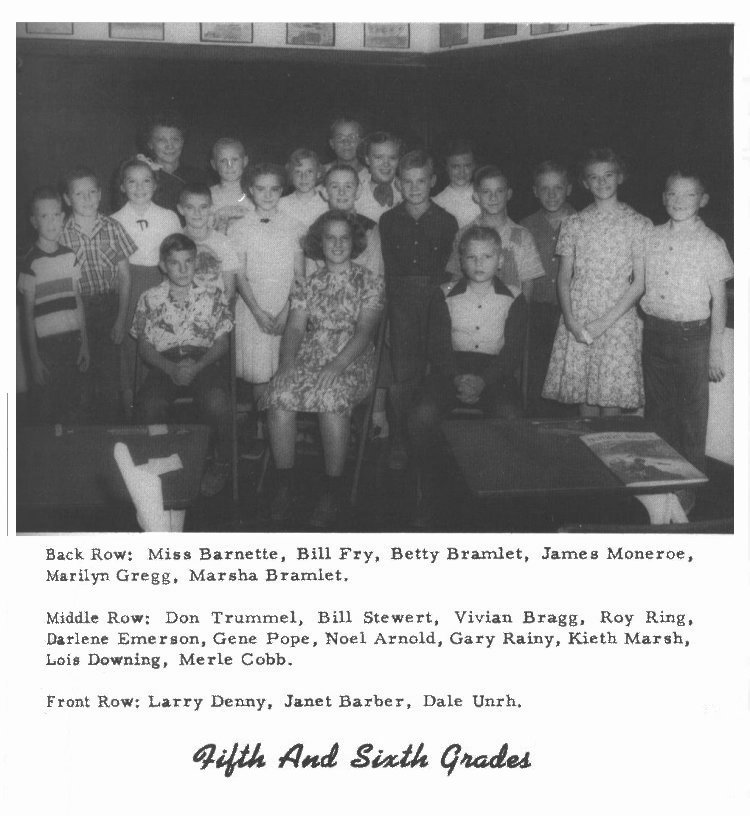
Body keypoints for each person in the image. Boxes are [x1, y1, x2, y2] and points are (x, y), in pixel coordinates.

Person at [265, 211, 384, 528]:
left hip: (352, 357)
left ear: (354, 242)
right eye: (330, 237)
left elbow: (364, 333)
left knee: (331, 401)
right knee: (279, 397)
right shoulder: (307, 283)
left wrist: (338, 364)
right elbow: (293, 330)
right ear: (320, 241)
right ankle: (285, 483)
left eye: (344, 237)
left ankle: (334, 490)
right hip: (309, 354)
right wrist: (287, 363)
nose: (337, 244)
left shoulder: (370, 281)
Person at [408, 226, 526, 526]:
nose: (479, 263)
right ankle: (429, 492)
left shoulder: (513, 297)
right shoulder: (445, 294)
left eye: (487, 256)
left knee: (509, 414)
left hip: (495, 371)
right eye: (471, 256)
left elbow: (513, 352)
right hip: (450, 368)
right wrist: (457, 377)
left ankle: (498, 492)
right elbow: (436, 345)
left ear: (500, 260)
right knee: (422, 414)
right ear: (461, 261)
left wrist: (483, 380)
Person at [543, 148, 653, 416]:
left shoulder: (638, 223)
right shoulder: (574, 223)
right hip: (580, 313)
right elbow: (564, 278)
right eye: (594, 177)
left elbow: (639, 283)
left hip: (618, 317)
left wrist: (605, 322)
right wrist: (570, 319)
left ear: (620, 177)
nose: (602, 182)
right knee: (585, 397)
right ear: (584, 182)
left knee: (610, 397)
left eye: (608, 175)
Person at [641, 170, 733, 480]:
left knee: (691, 419)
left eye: (689, 194)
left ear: (703, 200)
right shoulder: (650, 236)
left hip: (692, 338)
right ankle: (658, 483)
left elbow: (719, 301)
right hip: (654, 333)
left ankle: (689, 486)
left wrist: (715, 349)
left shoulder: (711, 243)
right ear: (663, 197)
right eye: (672, 194)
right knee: (657, 414)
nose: (679, 201)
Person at [130, 233, 233, 497]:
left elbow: (222, 343)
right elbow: (144, 347)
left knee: (217, 401)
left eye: (188, 261)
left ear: (196, 262)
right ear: (163, 265)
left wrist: (196, 367)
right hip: (165, 363)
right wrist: (172, 369)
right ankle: (161, 464)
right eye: (175, 263)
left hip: (204, 360)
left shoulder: (213, 296)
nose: (183, 269)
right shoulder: (149, 298)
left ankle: (221, 463)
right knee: (149, 405)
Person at [379, 149, 458, 469]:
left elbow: (452, 269)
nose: (414, 188)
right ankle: (401, 438)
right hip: (400, 301)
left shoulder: (446, 220)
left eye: (421, 181)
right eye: (407, 182)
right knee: (403, 374)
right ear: (398, 183)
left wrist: (441, 294)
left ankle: (431, 439)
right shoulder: (388, 220)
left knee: (437, 369)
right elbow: (385, 268)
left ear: (433, 182)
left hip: (437, 300)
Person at [60, 167, 135, 422]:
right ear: (67, 199)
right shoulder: (61, 234)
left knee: (110, 377)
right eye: (79, 194)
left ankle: (111, 433)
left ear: (100, 194)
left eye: (92, 192)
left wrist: (121, 318)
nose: (87, 199)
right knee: (81, 376)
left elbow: (125, 276)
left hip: (109, 307)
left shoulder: (113, 227)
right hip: (75, 309)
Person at [227, 163, 305, 408]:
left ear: (282, 190)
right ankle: (262, 428)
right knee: (260, 372)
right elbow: (239, 275)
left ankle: (280, 428)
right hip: (253, 305)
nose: (268, 195)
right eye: (261, 189)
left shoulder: (294, 226)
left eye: (274, 189)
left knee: (284, 369)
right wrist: (258, 312)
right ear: (250, 190)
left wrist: (286, 312)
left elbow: (299, 274)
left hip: (286, 302)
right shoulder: (239, 227)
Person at [111, 157, 181, 414]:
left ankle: (152, 406)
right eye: (132, 181)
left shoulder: (169, 217)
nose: (139, 187)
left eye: (146, 181)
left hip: (160, 283)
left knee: (157, 343)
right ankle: (129, 409)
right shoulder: (114, 220)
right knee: (130, 347)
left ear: (155, 184)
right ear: (122, 186)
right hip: (128, 287)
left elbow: (175, 257)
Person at [18, 187, 89, 424]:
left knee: (74, 404)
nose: (51, 222)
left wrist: (85, 344)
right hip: (46, 349)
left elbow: (77, 301)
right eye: (44, 216)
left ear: (64, 218)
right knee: (48, 408)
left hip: (72, 342)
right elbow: (26, 315)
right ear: (33, 222)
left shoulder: (70, 256)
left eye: (56, 215)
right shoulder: (31, 262)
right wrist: (34, 359)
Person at [520, 160, 577, 416]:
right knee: (536, 376)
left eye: (558, 188)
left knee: (569, 378)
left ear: (569, 189)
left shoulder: (583, 222)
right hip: (537, 312)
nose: (552, 195)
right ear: (534, 191)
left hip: (572, 315)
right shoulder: (525, 227)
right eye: (544, 189)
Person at [446, 165, 544, 301]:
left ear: (508, 194)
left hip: (510, 312)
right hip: (472, 311)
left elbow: (528, 284)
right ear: (476, 196)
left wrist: (521, 314)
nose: (493, 197)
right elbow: (456, 277)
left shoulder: (522, 236)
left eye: (499, 191)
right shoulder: (464, 234)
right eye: (486, 191)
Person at [178, 183, 239, 303]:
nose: (197, 213)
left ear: (211, 208)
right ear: (181, 209)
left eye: (203, 207)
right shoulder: (174, 241)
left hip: (215, 312)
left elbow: (230, 291)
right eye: (190, 207)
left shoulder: (223, 242)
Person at [137, 111, 206, 215]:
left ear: (182, 141)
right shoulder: (141, 177)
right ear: (150, 144)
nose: (169, 146)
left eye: (175, 139)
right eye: (161, 140)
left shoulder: (198, 177)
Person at [355, 131, 403, 223]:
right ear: (367, 159)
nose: (386, 164)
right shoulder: (355, 192)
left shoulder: (407, 190)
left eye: (392, 157)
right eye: (378, 157)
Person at [432, 139, 481, 228]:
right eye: (455, 167)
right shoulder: (438, 202)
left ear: (474, 166)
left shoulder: (484, 195)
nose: (461, 172)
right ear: (446, 167)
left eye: (467, 166)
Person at [209, 137, 252, 235]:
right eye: (223, 161)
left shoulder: (255, 193)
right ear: (214, 164)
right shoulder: (208, 195)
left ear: (245, 161)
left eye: (235, 159)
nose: (229, 165)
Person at [278, 149, 328, 228]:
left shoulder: (327, 204)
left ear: (318, 173)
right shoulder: (280, 204)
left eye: (309, 171)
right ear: (291, 175)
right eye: (298, 172)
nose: (303, 177)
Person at [322, 116, 369, 184]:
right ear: (332, 143)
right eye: (340, 138)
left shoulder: (371, 176)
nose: (346, 142)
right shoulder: (321, 174)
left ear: (360, 142)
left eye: (352, 137)